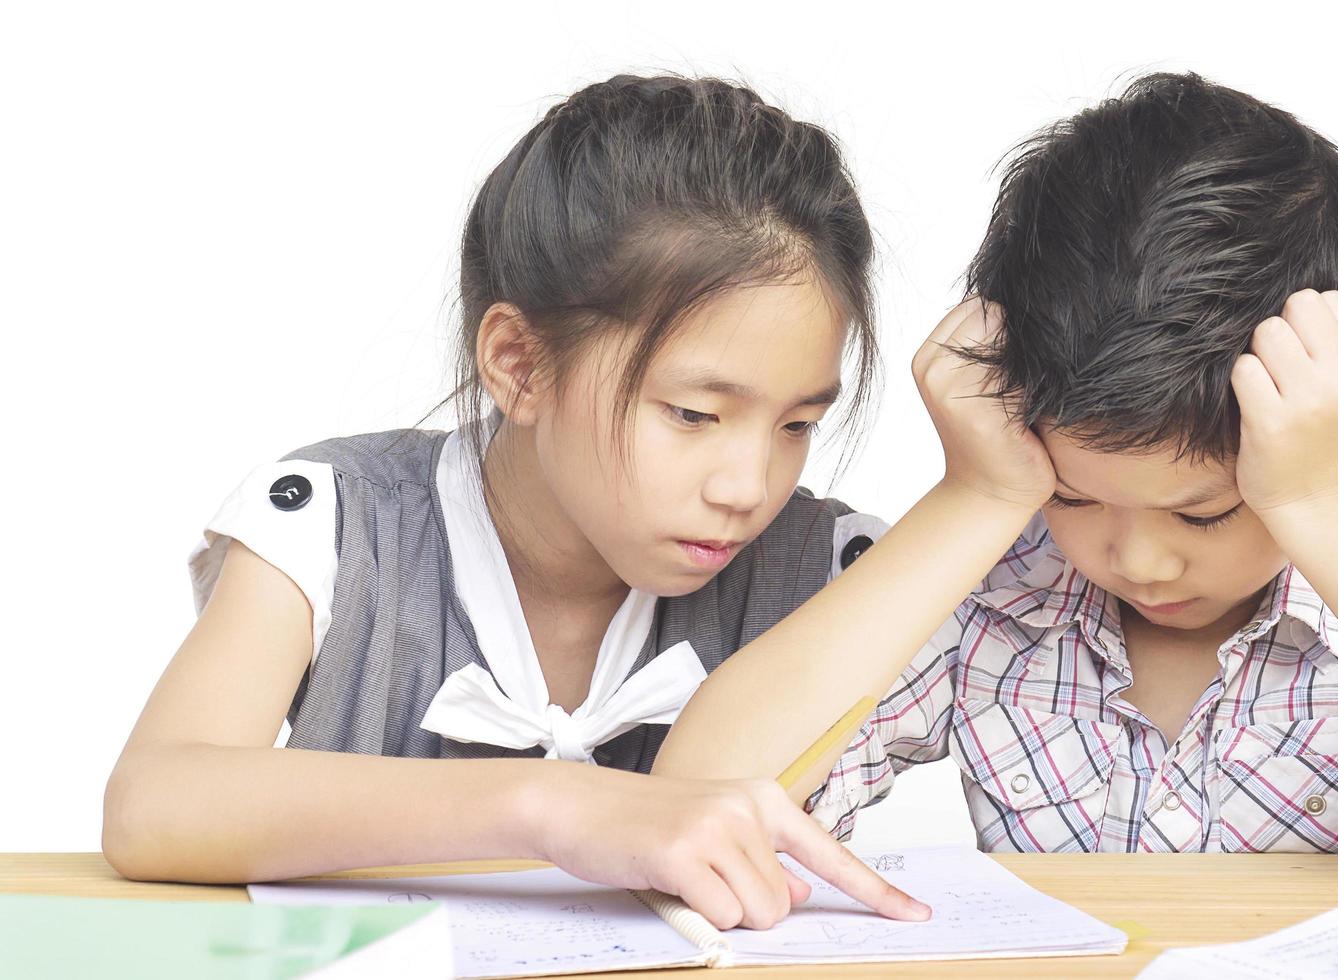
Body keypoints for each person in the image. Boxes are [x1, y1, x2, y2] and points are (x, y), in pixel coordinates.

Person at [102, 73, 933, 929]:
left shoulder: (830, 571)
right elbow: (151, 802)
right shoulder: (341, 525)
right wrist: (552, 804)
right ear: (519, 362)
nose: (747, 486)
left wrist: (986, 488)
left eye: (797, 424)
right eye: (694, 414)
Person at [654, 72, 1338, 854]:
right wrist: (976, 495)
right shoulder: (990, 592)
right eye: (1074, 498)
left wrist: (1326, 496)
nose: (1141, 560)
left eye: (1206, 511)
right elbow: (691, 810)